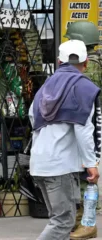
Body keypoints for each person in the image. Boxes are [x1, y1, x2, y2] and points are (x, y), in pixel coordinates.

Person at [29, 40, 100, 240]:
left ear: (59, 61)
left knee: (58, 219)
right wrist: (91, 163)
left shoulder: (46, 87)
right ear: (85, 63)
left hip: (39, 162)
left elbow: (33, 118)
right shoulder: (82, 87)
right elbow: (84, 129)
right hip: (59, 166)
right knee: (63, 221)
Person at [64, 21, 102, 239]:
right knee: (84, 171)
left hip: (90, 121)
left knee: (88, 172)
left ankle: (87, 221)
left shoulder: (88, 65)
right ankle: (81, 218)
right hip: (88, 120)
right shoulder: (91, 62)